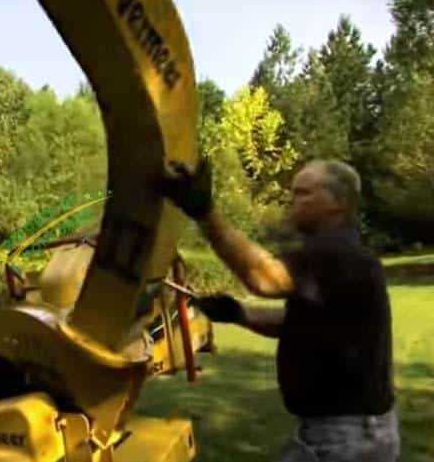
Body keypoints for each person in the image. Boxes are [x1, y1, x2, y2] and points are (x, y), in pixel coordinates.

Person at [160, 158, 400, 462]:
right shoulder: (344, 254)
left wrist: (204, 212)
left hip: (344, 438)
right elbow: (302, 322)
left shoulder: (335, 251)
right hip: (358, 430)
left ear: (338, 203)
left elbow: (264, 277)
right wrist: (239, 313)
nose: (293, 202)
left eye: (305, 194)